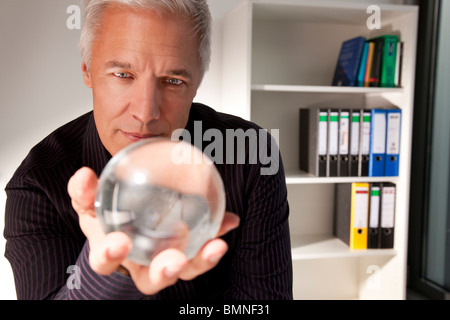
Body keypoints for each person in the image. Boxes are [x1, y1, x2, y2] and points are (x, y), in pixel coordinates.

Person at [3, 0, 292, 300]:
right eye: (123, 74)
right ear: (87, 71)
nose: (146, 112)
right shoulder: (36, 184)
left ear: (196, 84)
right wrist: (111, 272)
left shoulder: (249, 154)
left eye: (172, 81)